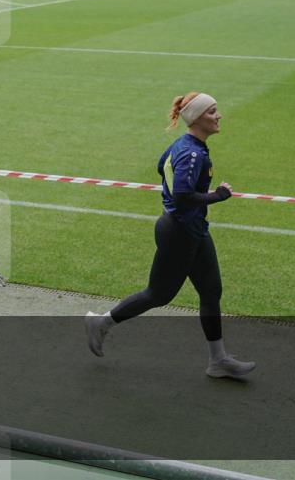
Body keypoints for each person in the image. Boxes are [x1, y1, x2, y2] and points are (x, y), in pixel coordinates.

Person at [84, 92, 256, 379]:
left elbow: (162, 166)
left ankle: (218, 360)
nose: (219, 116)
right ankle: (102, 323)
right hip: (179, 231)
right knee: (159, 294)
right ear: (197, 117)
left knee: (211, 291)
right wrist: (218, 195)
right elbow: (183, 197)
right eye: (212, 111)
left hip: (193, 228)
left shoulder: (183, 146)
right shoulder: (192, 153)